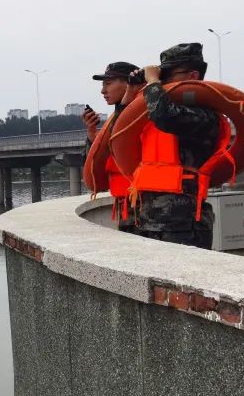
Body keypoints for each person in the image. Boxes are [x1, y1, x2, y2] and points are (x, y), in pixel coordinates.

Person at [127, 43, 223, 248]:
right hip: (150, 221)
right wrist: (133, 92)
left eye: (169, 74)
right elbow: (122, 133)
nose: (164, 80)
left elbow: (165, 116)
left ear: (193, 75)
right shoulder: (160, 112)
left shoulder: (204, 116)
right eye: (162, 75)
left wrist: (152, 81)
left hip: (184, 224)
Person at [82, 61, 142, 225]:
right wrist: (92, 132)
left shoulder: (143, 112)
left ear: (129, 83)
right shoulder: (117, 117)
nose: (103, 91)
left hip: (143, 204)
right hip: (126, 203)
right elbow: (105, 157)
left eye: (108, 83)